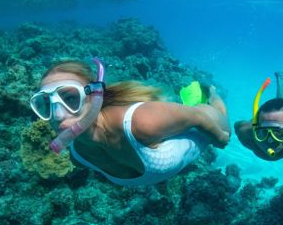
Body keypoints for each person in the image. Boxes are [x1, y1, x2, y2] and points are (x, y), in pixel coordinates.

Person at [29, 58, 230, 187]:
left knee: (221, 117)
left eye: (70, 98)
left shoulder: (141, 123)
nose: (57, 114)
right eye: (45, 104)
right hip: (172, 132)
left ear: (95, 95)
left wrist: (219, 138)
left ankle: (212, 92)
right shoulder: (79, 157)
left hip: (201, 122)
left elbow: (198, 118)